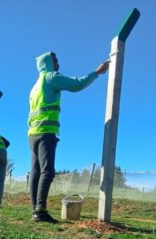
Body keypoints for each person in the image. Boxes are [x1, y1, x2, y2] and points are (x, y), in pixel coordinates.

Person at [28, 52, 110, 222]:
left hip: (33, 134)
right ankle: (40, 211)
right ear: (48, 63)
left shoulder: (36, 85)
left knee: (36, 171)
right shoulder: (51, 77)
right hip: (46, 131)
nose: (59, 63)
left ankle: (35, 209)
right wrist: (97, 72)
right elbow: (76, 85)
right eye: (55, 60)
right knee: (48, 171)